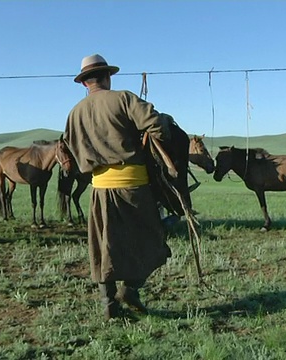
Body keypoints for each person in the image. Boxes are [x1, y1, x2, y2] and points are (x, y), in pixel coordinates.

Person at [63, 54, 172, 320]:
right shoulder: (123, 98)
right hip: (133, 186)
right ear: (107, 77)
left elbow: (71, 148)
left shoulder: (74, 113)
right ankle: (130, 289)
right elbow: (157, 125)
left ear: (84, 83)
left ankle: (108, 305)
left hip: (99, 189)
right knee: (152, 238)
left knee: (104, 246)